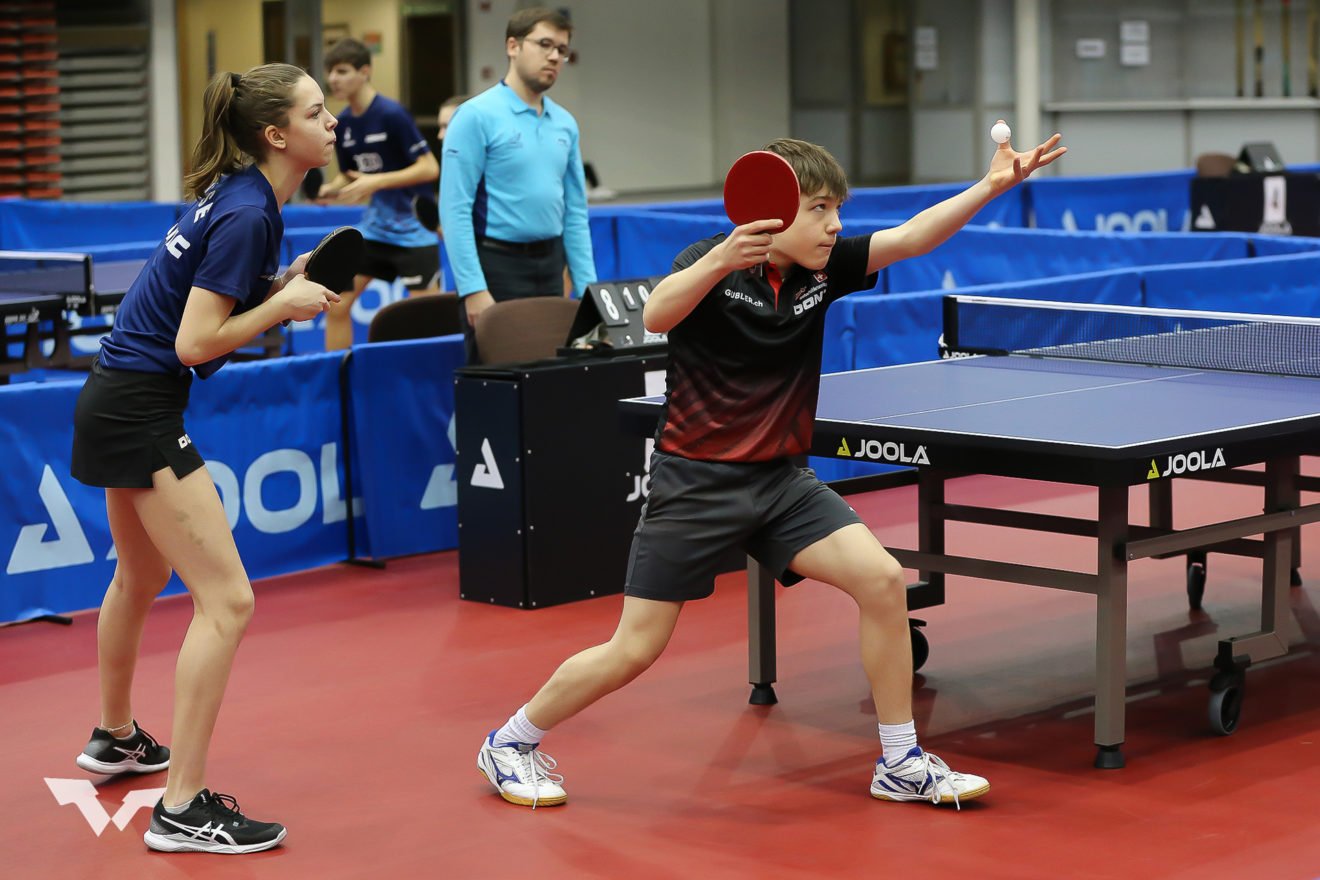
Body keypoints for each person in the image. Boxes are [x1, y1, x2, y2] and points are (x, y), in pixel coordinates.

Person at [477, 129, 1067, 809]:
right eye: (819, 209)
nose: (834, 224)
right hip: (696, 482)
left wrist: (991, 186)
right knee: (635, 648)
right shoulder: (711, 262)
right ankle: (510, 742)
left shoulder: (825, 269)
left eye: (836, 209)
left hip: (781, 482)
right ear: (774, 214)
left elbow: (910, 238)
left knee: (881, 581)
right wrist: (719, 261)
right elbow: (657, 315)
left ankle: (900, 761)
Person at [70, 63, 341, 853]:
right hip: (140, 407)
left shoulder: (241, 195)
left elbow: (203, 304)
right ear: (276, 134)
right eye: (316, 112)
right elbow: (195, 343)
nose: (332, 122)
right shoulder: (250, 210)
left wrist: (280, 285)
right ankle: (183, 807)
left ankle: (116, 736)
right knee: (228, 601)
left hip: (112, 394)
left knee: (140, 576)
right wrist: (281, 306)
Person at [438, 6, 596, 363]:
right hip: (496, 267)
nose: (554, 56)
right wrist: (473, 289)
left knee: (550, 379)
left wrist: (588, 290)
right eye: (544, 44)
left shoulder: (565, 123)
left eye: (562, 49)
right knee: (497, 384)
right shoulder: (474, 116)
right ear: (513, 46)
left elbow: (575, 213)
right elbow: (454, 210)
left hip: (550, 266)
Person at [319, 38, 440, 350]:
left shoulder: (392, 114)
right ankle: (339, 374)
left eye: (342, 71)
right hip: (375, 231)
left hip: (414, 232)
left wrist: (375, 182)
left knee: (428, 319)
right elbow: (350, 173)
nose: (333, 79)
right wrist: (332, 188)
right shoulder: (343, 123)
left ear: (365, 72)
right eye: (330, 72)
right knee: (336, 305)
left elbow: (429, 168)